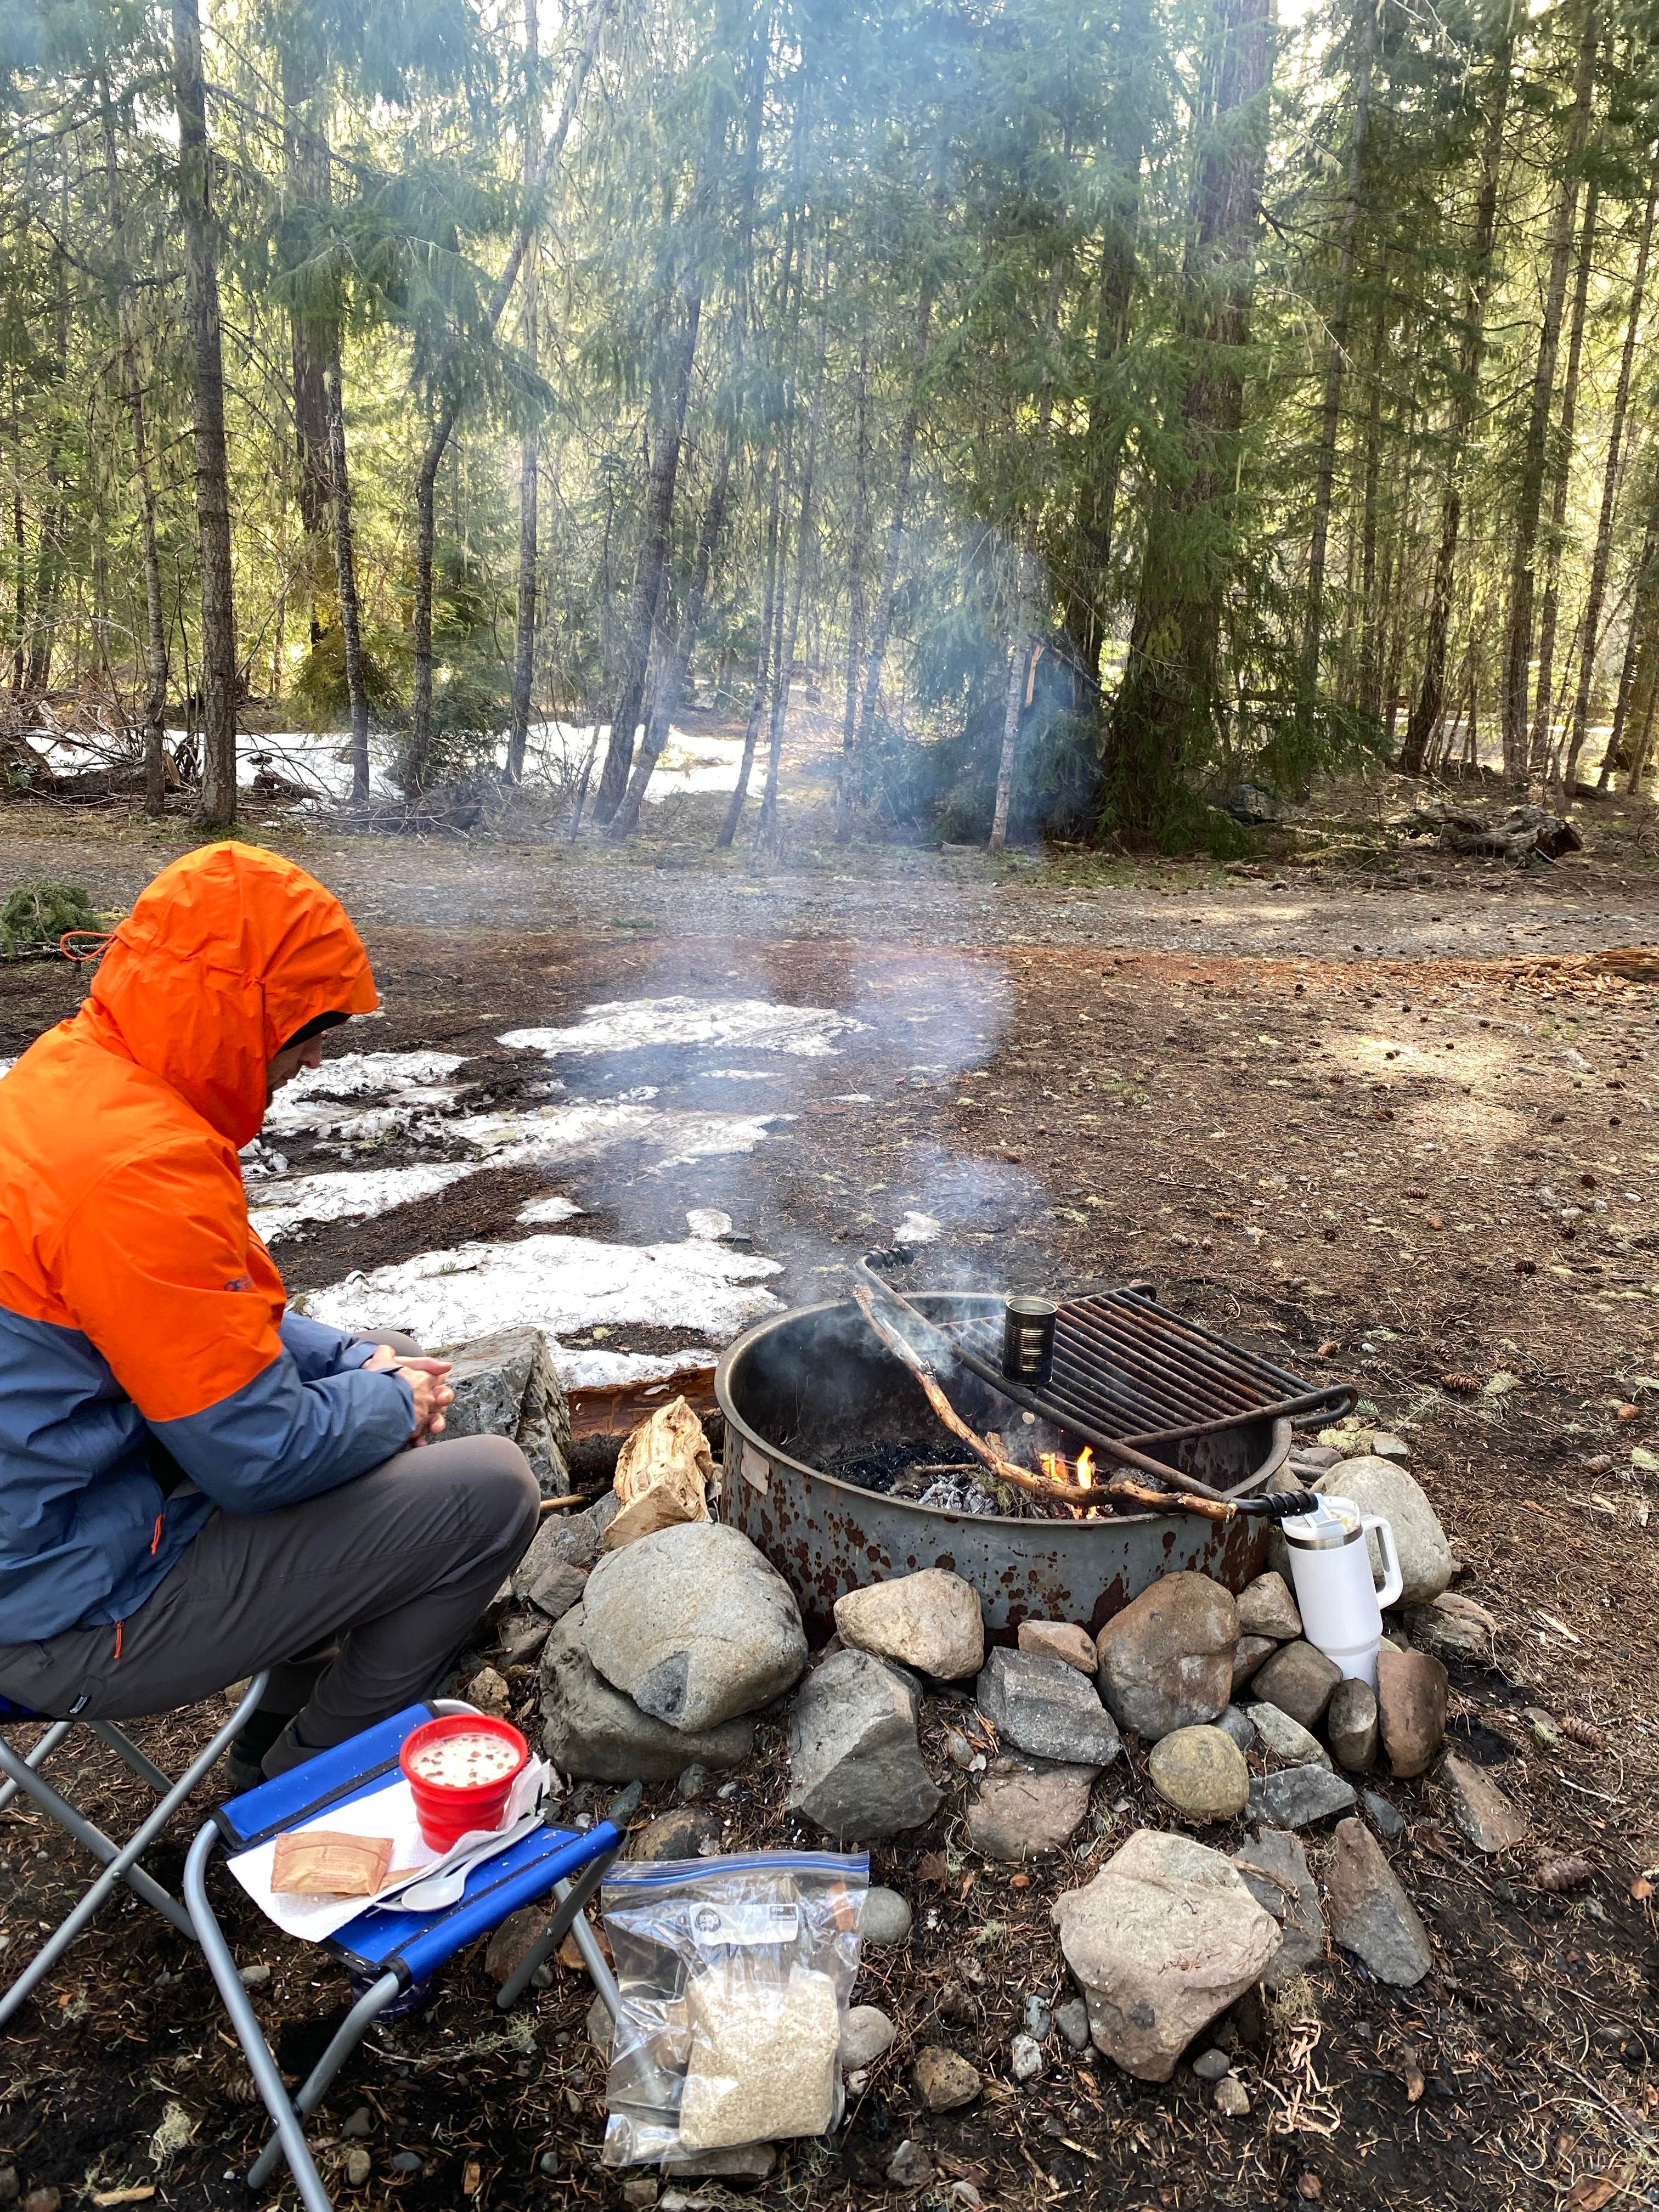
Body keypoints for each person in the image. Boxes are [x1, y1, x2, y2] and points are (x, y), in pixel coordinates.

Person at [0, 842, 540, 1788]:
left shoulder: (74, 1080)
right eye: (305, 1028)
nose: (315, 1055)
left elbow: (173, 1310)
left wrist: (358, 1357)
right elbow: (256, 1458)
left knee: (386, 1358)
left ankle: (285, 1709)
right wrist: (394, 1404)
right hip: (52, 1614)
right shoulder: (142, 1171)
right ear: (238, 1019)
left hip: (63, 1521)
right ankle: (304, 1780)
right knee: (494, 1489)